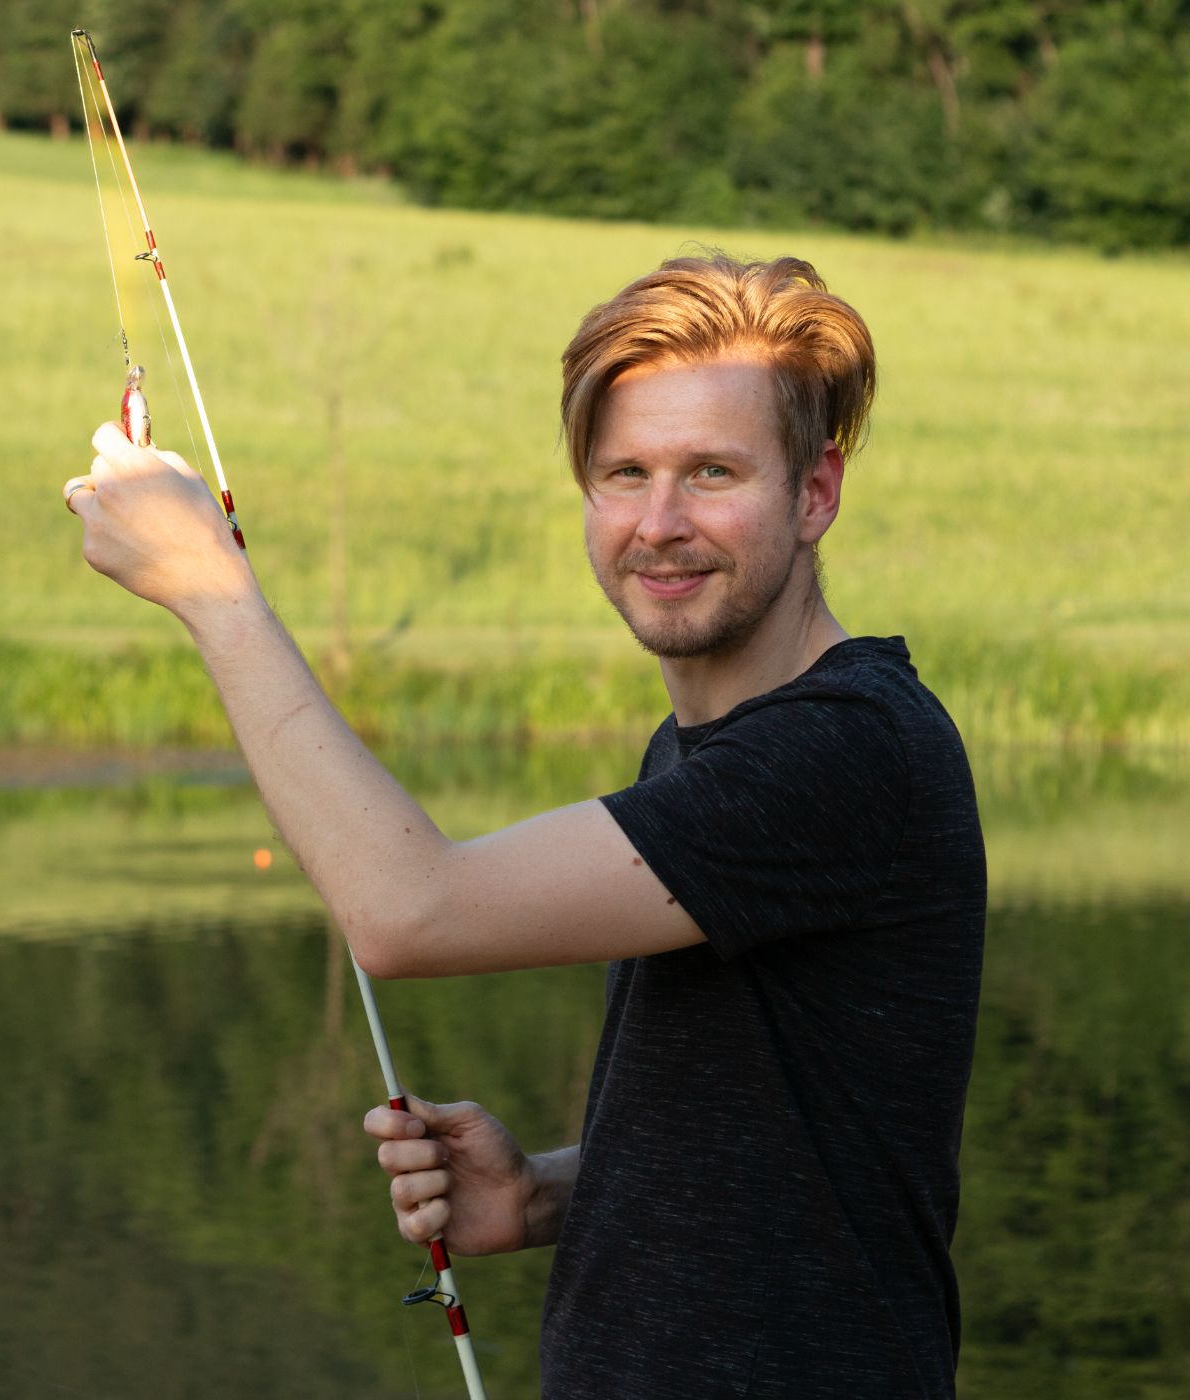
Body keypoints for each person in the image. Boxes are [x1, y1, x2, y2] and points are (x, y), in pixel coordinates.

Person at [65, 251, 985, 1399]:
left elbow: (407, 911)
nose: (659, 522)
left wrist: (213, 591)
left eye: (711, 472)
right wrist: (546, 1191)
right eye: (623, 473)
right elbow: (794, 1141)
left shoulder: (844, 751)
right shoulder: (713, 754)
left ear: (814, 492)